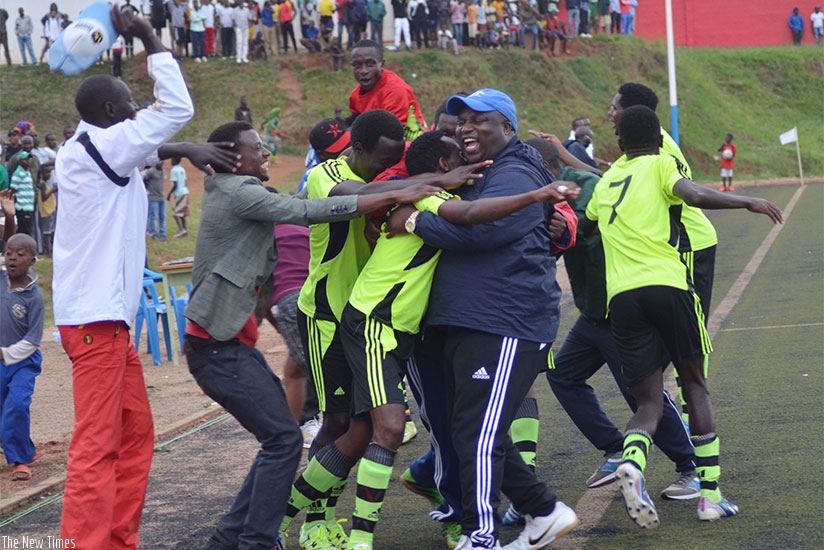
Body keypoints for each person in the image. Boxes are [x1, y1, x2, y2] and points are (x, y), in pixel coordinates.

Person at [183, 119, 440, 550]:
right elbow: (309, 210)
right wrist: (406, 192)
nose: (267, 153)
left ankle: (244, 536)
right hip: (284, 329)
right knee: (306, 431)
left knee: (306, 434)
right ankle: (285, 530)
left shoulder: (252, 192)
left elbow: (299, 208)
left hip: (282, 335)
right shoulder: (281, 183)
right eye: (257, 147)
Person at [52, 8, 237, 547]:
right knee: (97, 444)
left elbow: (141, 146)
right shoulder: (106, 147)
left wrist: (180, 148)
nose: (139, 111)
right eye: (131, 106)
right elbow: (175, 107)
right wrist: (149, 37)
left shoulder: (88, 148)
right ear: (113, 111)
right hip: (96, 324)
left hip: (104, 323)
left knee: (135, 435)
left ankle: (117, 539)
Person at [387, 89, 580, 550]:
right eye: (462, 120)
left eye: (480, 120)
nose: (466, 127)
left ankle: (481, 534)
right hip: (472, 320)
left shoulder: (516, 170)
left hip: (504, 320)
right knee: (470, 428)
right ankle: (544, 511)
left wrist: (413, 219)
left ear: (507, 128)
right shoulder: (486, 172)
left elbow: (485, 232)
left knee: (477, 430)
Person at [582, 104, 783, 528]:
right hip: (669, 285)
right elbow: (691, 195)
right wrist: (746, 199)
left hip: (622, 298)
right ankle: (709, 496)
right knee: (694, 384)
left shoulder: (608, 180)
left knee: (648, 400)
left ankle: (633, 463)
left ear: (619, 143)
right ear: (659, 140)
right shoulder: (660, 163)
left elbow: (588, 225)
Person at [522, 138, 699, 503]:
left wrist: (564, 232)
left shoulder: (587, 187)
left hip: (621, 309)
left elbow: (595, 233)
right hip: (593, 312)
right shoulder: (548, 192)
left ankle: (691, 467)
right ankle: (615, 449)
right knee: (564, 375)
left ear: (544, 166)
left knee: (642, 397)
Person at [0, 233, 44, 482]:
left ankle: (19, 461)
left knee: (16, 405)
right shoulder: (1, 278)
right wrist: (8, 215)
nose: (13, 257)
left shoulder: (33, 297)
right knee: (3, 410)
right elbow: (6, 237)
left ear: (32, 260)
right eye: (9, 253)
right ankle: (22, 447)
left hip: (22, 362)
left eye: (20, 254)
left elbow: (33, 340)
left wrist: (5, 353)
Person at [348, 40, 428, 141]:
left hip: (408, 144)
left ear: (382, 64)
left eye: (370, 64)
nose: (364, 71)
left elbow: (392, 136)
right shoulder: (355, 96)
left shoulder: (395, 91)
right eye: (357, 65)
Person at [9, 152, 35, 237]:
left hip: (29, 207)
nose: (28, 161)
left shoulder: (27, 172)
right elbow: (12, 191)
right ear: (20, 161)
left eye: (28, 159)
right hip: (22, 208)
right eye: (25, 159)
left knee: (28, 231)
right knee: (24, 232)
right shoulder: (18, 173)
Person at [37, 164, 58, 257]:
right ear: (42, 174)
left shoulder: (45, 183)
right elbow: (44, 198)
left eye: (50, 172)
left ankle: (51, 250)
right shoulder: (42, 184)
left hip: (50, 210)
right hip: (46, 211)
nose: (49, 174)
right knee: (47, 232)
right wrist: (52, 191)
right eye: (47, 172)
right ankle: (48, 252)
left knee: (51, 231)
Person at [142, 160, 167, 240]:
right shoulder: (151, 171)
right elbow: (143, 178)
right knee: (153, 216)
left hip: (162, 197)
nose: (160, 163)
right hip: (153, 197)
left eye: (161, 162)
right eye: (158, 162)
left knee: (162, 216)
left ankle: (163, 233)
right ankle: (154, 233)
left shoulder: (163, 172)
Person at [167, 157, 190, 237]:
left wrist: (169, 194)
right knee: (182, 213)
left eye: (172, 160)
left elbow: (175, 184)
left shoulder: (173, 170)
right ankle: (185, 231)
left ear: (174, 161)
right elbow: (185, 182)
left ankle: (181, 230)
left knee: (175, 213)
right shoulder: (182, 169)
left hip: (179, 193)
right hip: (185, 191)